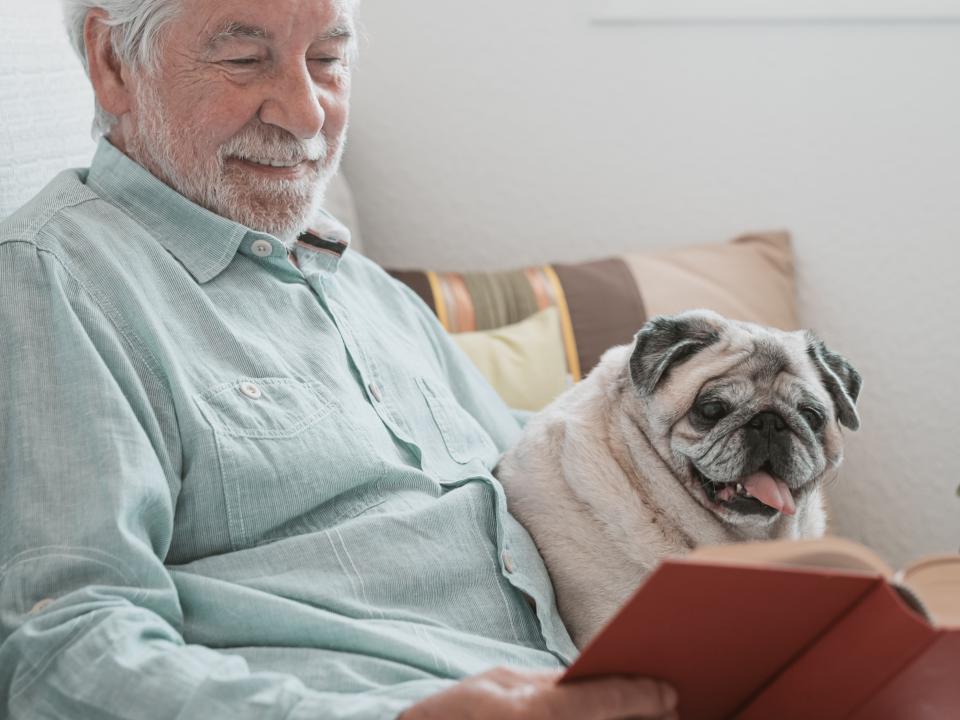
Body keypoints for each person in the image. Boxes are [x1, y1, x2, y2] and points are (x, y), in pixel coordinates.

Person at [0, 0, 679, 718]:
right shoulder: (55, 281)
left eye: (327, 60)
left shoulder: (355, 281)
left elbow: (537, 469)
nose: (306, 114)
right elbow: (61, 651)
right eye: (243, 59)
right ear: (111, 62)